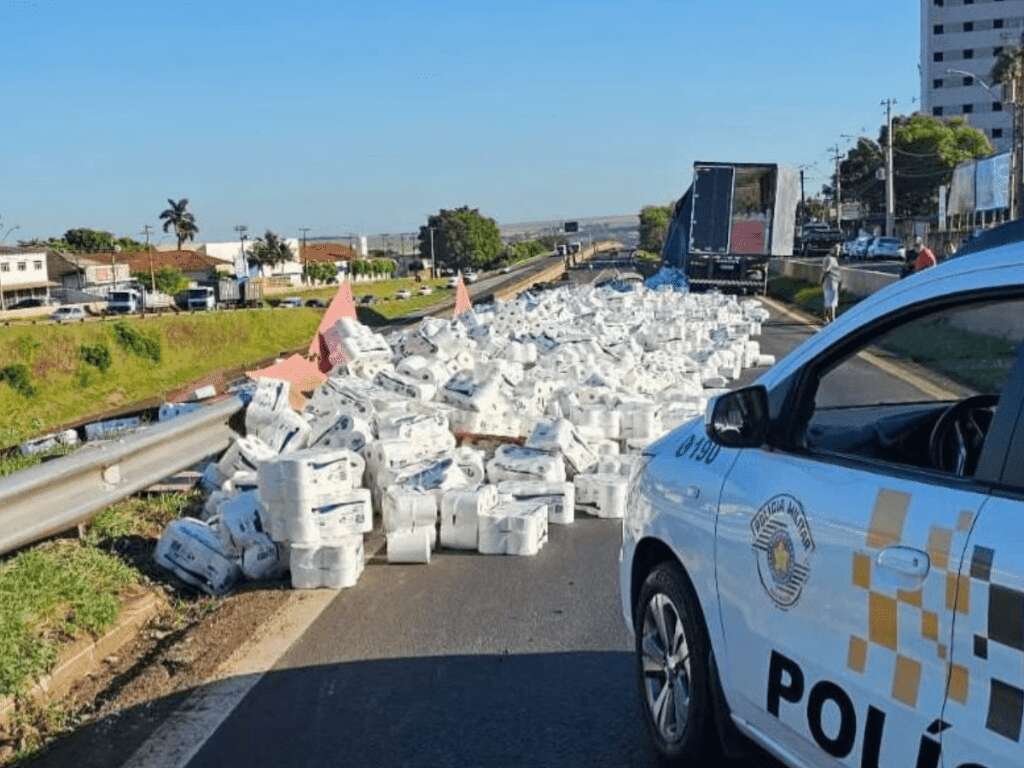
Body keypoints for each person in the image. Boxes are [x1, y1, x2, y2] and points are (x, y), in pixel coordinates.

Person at [821, 244, 841, 324]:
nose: (838, 252)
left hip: (830, 283)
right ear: (832, 250)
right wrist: (821, 280)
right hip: (831, 284)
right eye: (837, 250)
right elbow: (826, 271)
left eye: (839, 250)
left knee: (827, 301)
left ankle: (825, 319)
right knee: (832, 302)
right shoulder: (830, 259)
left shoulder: (829, 258)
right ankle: (832, 319)